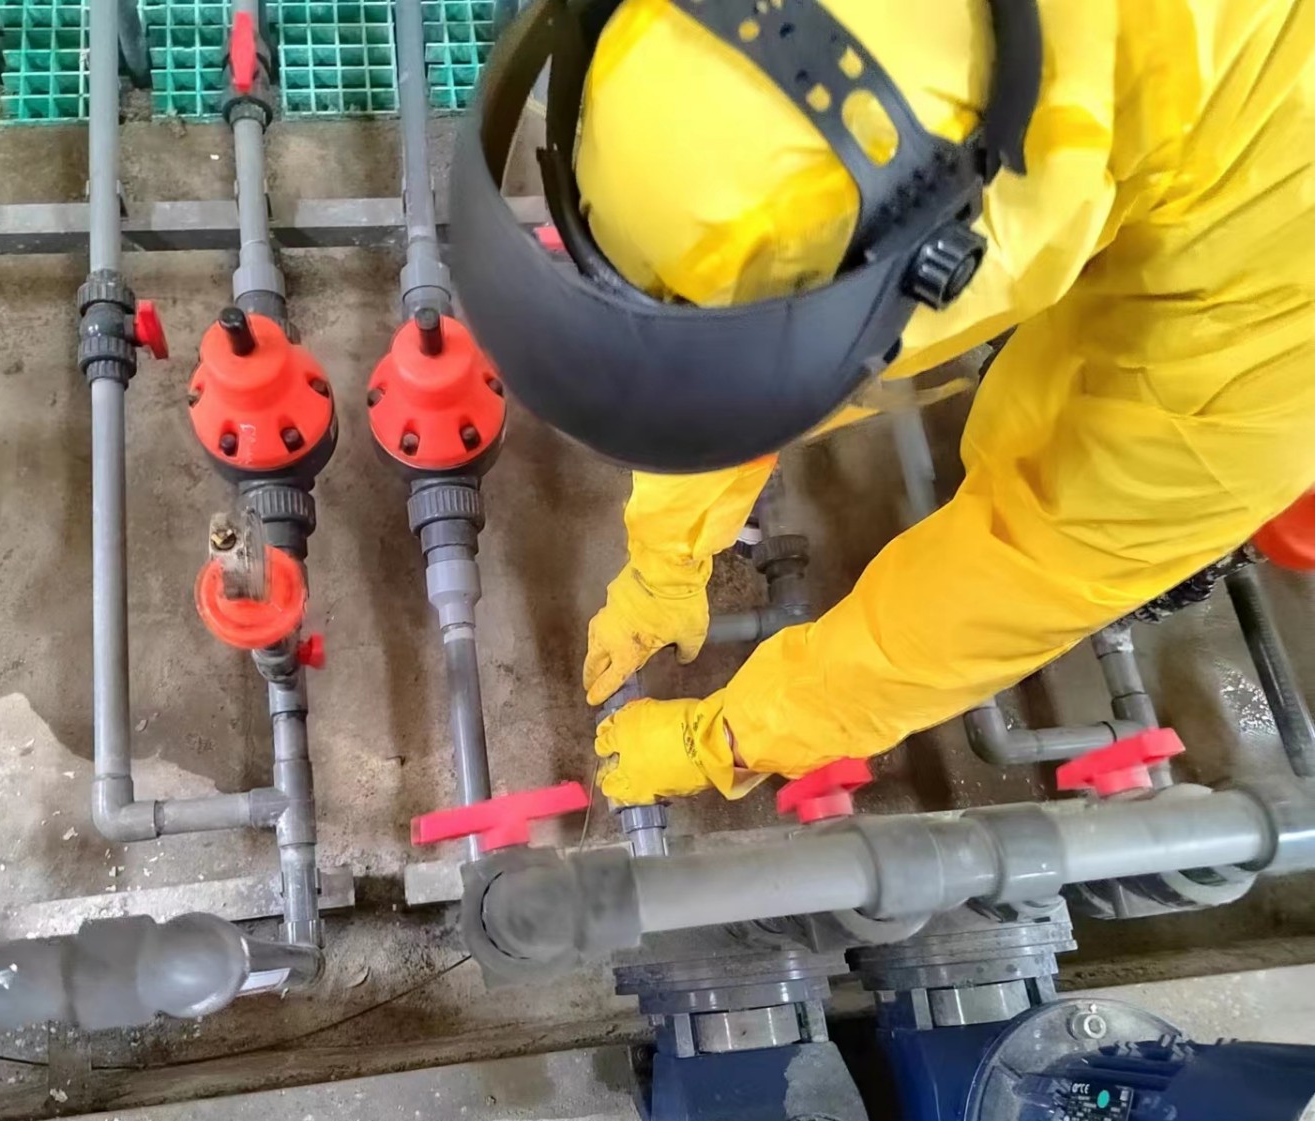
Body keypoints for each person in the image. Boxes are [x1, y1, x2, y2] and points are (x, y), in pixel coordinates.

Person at [553, 0, 1315, 803]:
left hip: (1257, 275)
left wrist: (732, 738)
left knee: (1081, 484)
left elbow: (1010, 577)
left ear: (944, 263)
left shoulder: (1256, 364)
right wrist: (665, 559)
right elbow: (732, 328)